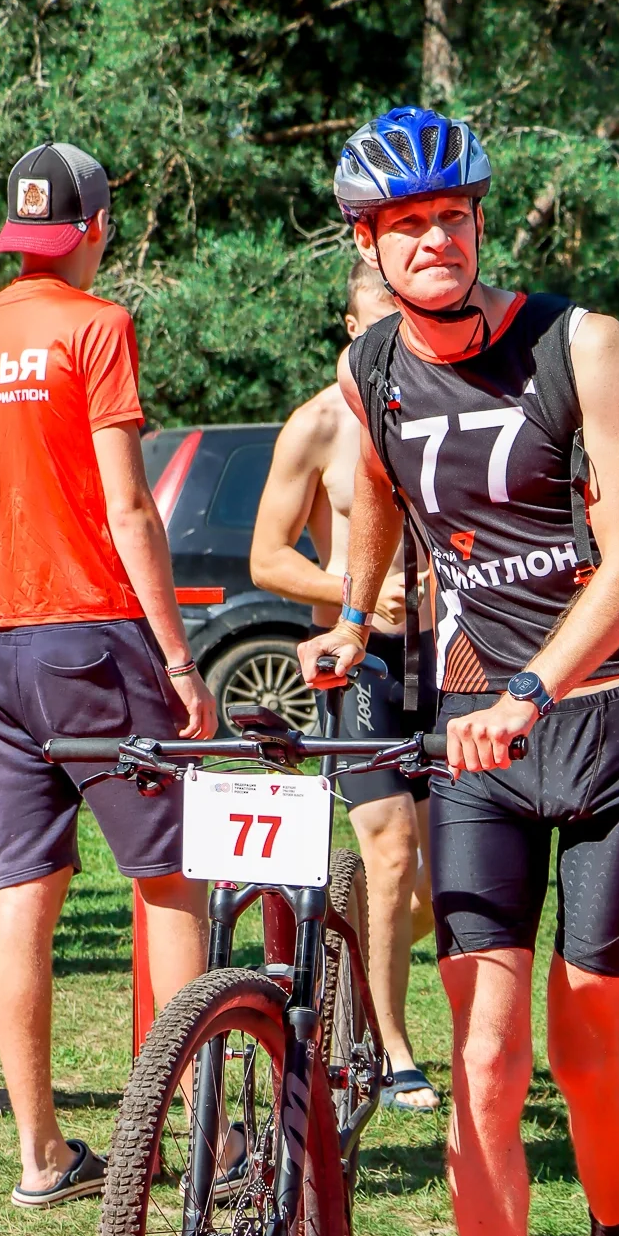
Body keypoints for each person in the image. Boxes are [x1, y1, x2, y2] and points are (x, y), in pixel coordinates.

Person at [299, 106, 619, 1236]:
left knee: (584, 1051)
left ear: (478, 223)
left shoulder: (583, 344)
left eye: (450, 217)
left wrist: (533, 687)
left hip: (607, 730)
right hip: (479, 748)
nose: (433, 241)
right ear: (369, 244)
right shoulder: (370, 367)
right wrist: (354, 617)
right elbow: (382, 499)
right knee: (481, 1062)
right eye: (405, 226)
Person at [0, 139, 218, 1209]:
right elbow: (129, 506)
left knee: (26, 889)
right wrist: (180, 658)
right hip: (89, 633)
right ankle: (199, 1145)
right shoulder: (96, 324)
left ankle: (40, 1156)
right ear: (96, 226)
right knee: (170, 877)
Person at [250, 257, 439, 1109]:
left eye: (410, 318)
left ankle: (349, 965)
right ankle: (391, 1049)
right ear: (352, 329)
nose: (396, 335)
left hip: (454, 661)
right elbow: (267, 559)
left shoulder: (450, 412)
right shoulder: (319, 425)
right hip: (364, 662)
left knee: (437, 886)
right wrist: (353, 594)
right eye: (380, 321)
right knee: (390, 851)